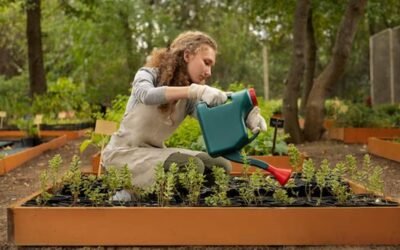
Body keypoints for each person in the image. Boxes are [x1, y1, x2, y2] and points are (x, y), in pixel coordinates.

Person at [102, 31, 267, 198]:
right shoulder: (148, 75)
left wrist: (246, 116)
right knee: (192, 166)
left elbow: (214, 118)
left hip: (154, 153)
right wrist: (194, 90)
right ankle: (130, 194)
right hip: (122, 155)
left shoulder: (188, 99)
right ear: (187, 55)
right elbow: (147, 95)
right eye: (206, 62)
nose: (209, 72)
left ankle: (175, 200)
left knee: (220, 166)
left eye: (211, 66)